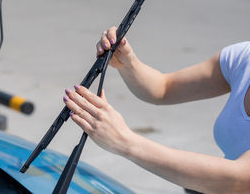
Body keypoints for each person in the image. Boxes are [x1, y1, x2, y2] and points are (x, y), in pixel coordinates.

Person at [63, 26, 250, 193]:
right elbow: (164, 88)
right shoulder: (244, 57)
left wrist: (124, 141)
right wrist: (128, 63)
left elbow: (238, 180)